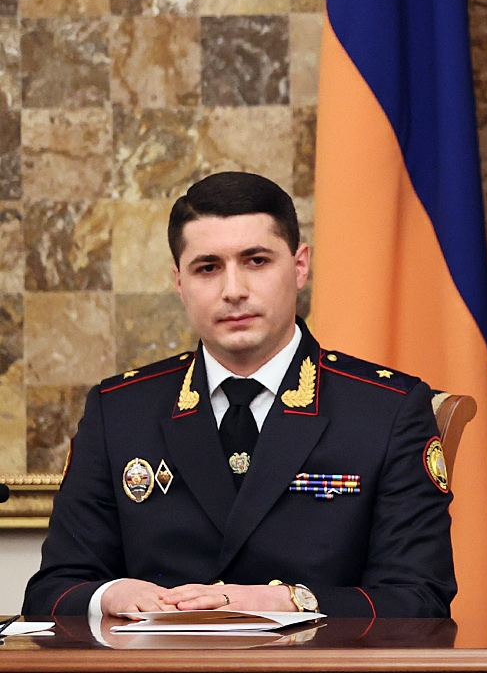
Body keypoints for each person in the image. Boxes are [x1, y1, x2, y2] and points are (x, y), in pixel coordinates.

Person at [24, 172, 456, 620]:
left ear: (300, 266)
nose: (233, 291)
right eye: (208, 268)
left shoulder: (386, 409)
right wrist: (109, 595)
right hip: (159, 662)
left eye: (256, 261)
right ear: (179, 281)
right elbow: (52, 591)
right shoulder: (119, 410)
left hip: (315, 664)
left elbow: (419, 598)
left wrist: (291, 602)